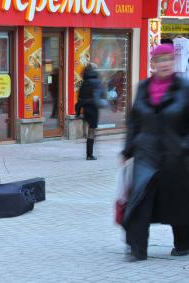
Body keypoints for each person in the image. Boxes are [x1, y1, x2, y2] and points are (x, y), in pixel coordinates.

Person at [121, 44, 189, 261]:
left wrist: (184, 146)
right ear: (152, 64)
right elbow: (134, 122)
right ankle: (137, 249)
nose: (165, 64)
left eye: (169, 59)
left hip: (176, 155)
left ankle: (183, 244)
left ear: (174, 61)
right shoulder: (143, 88)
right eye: (160, 60)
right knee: (139, 201)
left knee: (177, 202)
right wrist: (127, 150)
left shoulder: (184, 88)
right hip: (146, 154)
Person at [75, 64, 105, 160]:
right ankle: (89, 155)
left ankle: (89, 153)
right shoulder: (96, 81)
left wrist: (78, 112)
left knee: (89, 131)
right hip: (93, 109)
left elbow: (79, 98)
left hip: (85, 110)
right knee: (92, 132)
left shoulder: (83, 83)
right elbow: (102, 95)